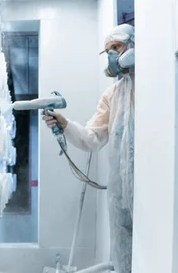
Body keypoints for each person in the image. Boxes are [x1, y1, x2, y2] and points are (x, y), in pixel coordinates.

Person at [43, 24, 135, 273]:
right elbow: (91, 138)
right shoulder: (112, 96)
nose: (112, 56)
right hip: (119, 195)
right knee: (123, 259)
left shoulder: (152, 86)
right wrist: (65, 124)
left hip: (148, 192)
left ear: (134, 45)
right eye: (108, 51)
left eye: (116, 47)